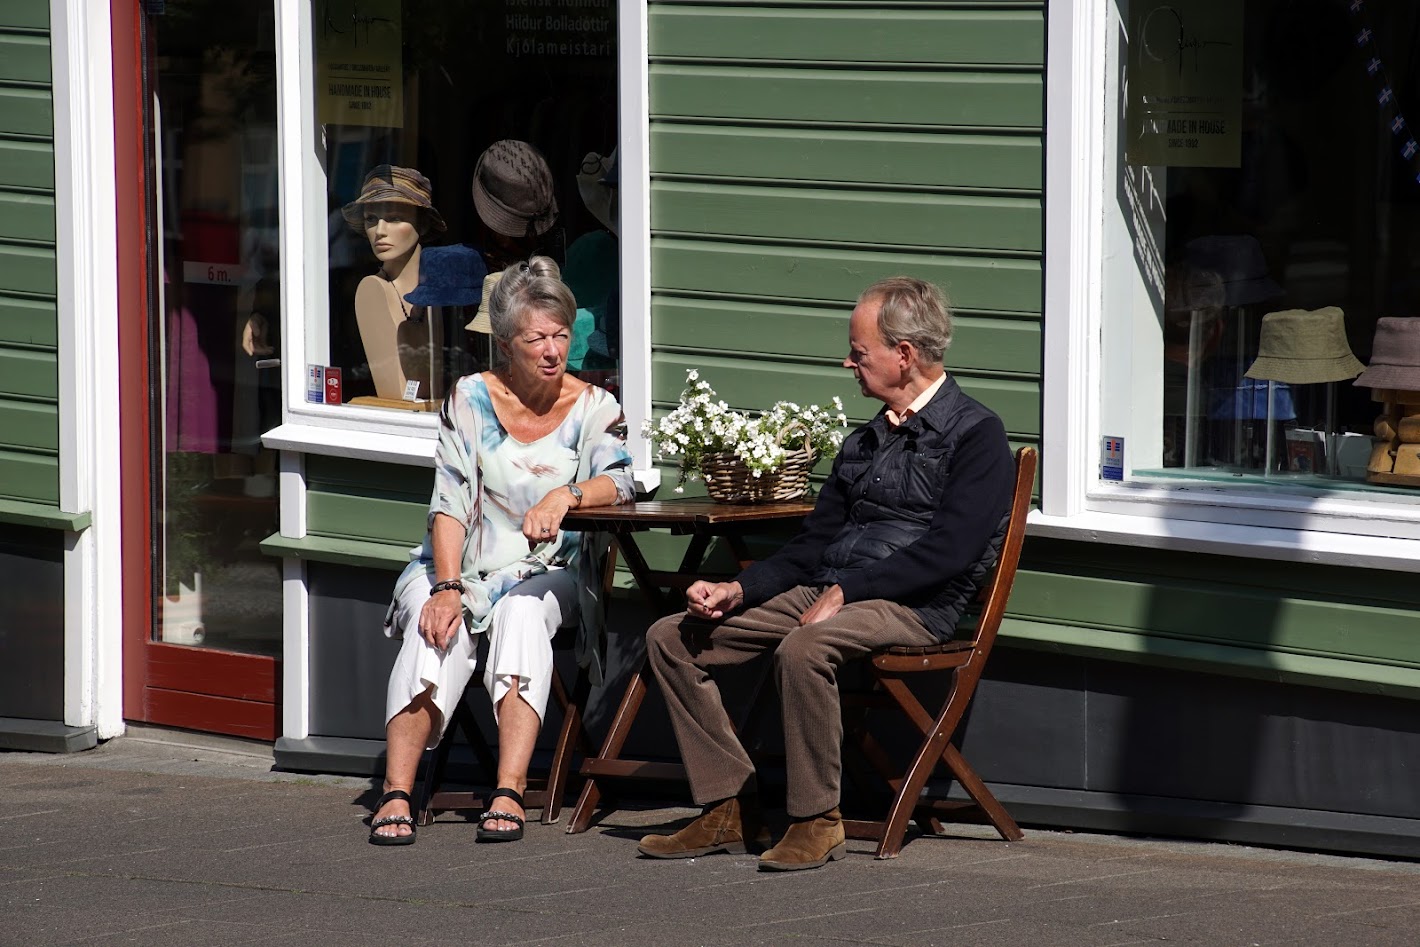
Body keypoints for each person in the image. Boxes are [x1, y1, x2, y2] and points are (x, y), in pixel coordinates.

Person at [637, 277, 1014, 871]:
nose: (848, 362)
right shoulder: (864, 442)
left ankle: (816, 820)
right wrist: (741, 588)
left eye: (859, 353)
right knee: (671, 637)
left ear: (904, 354)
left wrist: (849, 589)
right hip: (831, 589)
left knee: (804, 647)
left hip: (917, 603)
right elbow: (812, 546)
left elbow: (951, 552)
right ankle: (727, 806)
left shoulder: (976, 435)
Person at [369, 256, 636, 846]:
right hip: (457, 564)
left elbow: (622, 481)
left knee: (519, 612)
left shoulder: (595, 407)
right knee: (437, 624)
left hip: (549, 570)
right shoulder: (469, 398)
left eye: (561, 335)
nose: (551, 349)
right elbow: (449, 500)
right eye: (535, 337)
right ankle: (396, 792)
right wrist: (445, 587)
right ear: (506, 344)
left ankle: (509, 786)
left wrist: (565, 496)